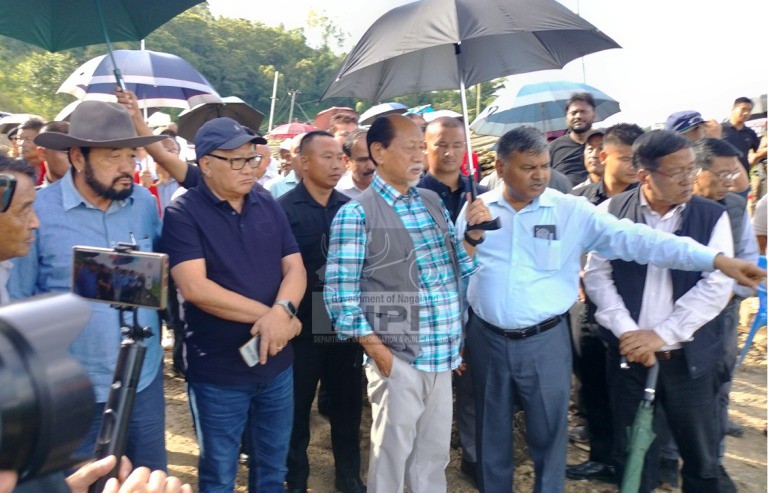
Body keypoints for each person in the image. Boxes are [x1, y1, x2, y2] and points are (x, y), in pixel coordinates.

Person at [454, 126, 764, 493]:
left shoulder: (571, 211)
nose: (539, 175)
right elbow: (460, 275)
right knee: (492, 432)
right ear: (501, 169)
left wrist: (713, 259)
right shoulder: (475, 211)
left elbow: (640, 241)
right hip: (486, 338)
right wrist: (458, 328)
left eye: (543, 166)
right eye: (527, 168)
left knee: (549, 434)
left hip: (545, 341)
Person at [324, 114, 491, 493]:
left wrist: (474, 236)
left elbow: (458, 268)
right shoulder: (357, 214)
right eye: (410, 146)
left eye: (421, 146)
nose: (420, 155)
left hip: (442, 352)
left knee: (432, 456)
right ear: (379, 152)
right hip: (399, 354)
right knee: (393, 455)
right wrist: (380, 353)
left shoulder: (430, 202)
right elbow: (339, 297)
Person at [8, 101, 168, 471]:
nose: (128, 167)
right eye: (114, 156)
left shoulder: (143, 203)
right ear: (78, 157)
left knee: (147, 476)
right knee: (82, 480)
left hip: (143, 378)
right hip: (73, 391)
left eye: (131, 154)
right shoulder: (38, 214)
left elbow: (159, 273)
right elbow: (17, 304)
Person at [584, 130, 739, 493]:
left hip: (690, 359)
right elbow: (597, 276)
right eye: (677, 172)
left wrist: (662, 335)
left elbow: (716, 286)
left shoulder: (711, 216)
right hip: (631, 357)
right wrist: (628, 333)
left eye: (692, 169)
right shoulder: (611, 212)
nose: (689, 179)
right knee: (633, 454)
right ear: (645, 176)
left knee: (700, 457)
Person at [161, 117, 305, 493]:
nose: (250, 168)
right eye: (237, 160)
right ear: (205, 165)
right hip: (218, 368)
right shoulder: (183, 212)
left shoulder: (265, 201)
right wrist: (274, 317)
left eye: (253, 158)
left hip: (276, 363)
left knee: (272, 469)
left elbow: (295, 266)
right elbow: (195, 288)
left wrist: (283, 312)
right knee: (219, 474)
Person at [651, 137, 760, 492]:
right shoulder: (673, 210)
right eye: (722, 173)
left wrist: (721, 292)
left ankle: (711, 463)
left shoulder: (734, 209)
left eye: (735, 172)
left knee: (717, 387)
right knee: (670, 391)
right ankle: (667, 463)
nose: (730, 181)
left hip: (720, 316)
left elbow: (745, 262)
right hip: (671, 322)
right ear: (697, 172)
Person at [278, 131, 366, 493]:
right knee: (297, 406)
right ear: (302, 161)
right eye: (326, 157)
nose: (336, 164)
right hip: (301, 326)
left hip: (343, 322)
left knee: (347, 404)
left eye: (339, 157)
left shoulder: (350, 208)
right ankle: (295, 477)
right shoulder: (282, 210)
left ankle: (349, 474)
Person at [566, 123, 645, 483]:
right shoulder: (580, 200)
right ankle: (601, 455)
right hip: (588, 309)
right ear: (603, 156)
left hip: (634, 314)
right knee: (592, 384)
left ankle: (633, 461)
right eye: (626, 158)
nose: (634, 166)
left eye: (638, 159)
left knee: (632, 391)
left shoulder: (646, 201)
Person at [418, 116, 488, 223]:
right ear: (425, 146)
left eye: (457, 145)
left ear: (465, 147)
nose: (449, 153)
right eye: (442, 145)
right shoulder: (413, 196)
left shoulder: (481, 194)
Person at [549, 93, 597, 185]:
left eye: (583, 111)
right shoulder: (553, 148)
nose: (578, 116)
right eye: (573, 113)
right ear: (567, 118)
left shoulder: (605, 143)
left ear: (594, 115)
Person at [335, 129, 375, 199]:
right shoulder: (338, 193)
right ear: (347, 161)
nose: (371, 166)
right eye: (363, 160)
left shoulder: (394, 186)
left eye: (374, 158)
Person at [37, 121, 71, 186]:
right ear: (42, 153)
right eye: (67, 152)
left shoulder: (92, 194)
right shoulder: (33, 195)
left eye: (79, 153)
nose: (75, 159)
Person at [17, 118, 46, 186]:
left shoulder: (52, 168)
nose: (22, 144)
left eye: (28, 140)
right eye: (19, 139)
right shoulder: (13, 169)